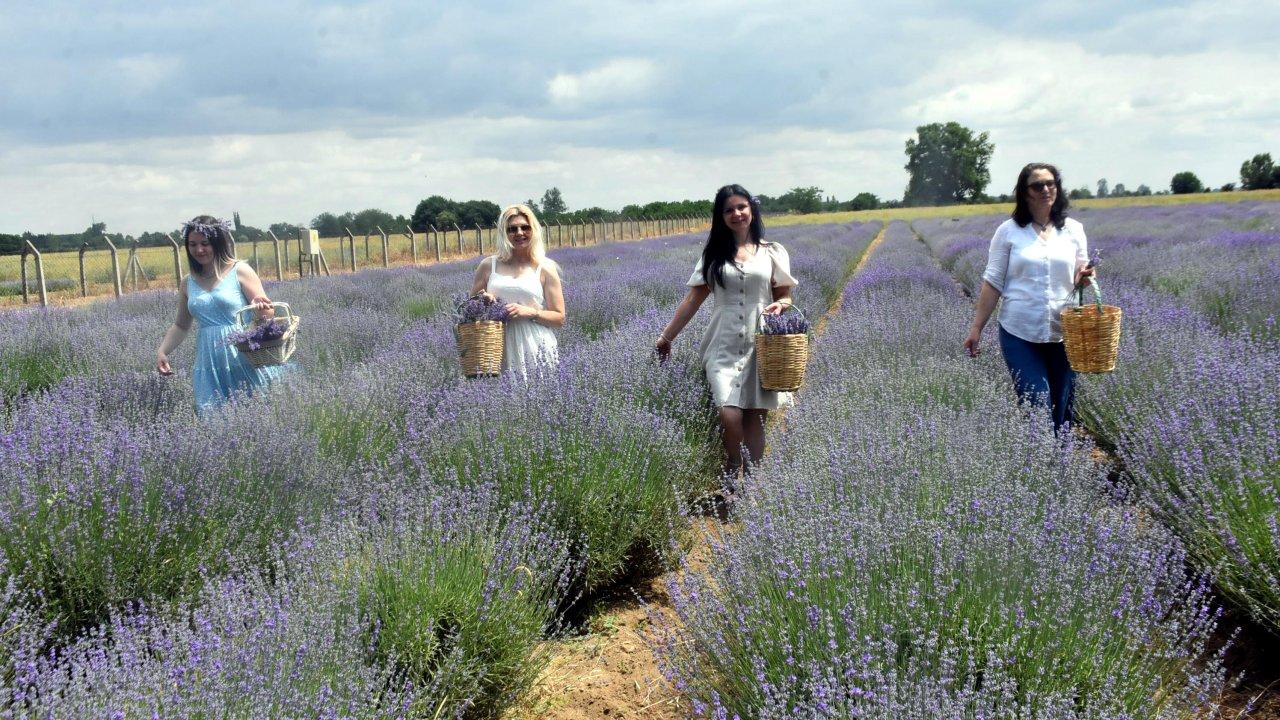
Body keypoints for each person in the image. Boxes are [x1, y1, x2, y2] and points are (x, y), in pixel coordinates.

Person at [656, 184, 796, 485]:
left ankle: (752, 485)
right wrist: (666, 337)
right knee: (729, 414)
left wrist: (780, 304)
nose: (737, 214)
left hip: (761, 344)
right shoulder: (714, 256)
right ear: (720, 217)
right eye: (729, 210)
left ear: (752, 210)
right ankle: (733, 466)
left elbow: (786, 296)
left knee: (756, 418)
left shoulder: (771, 252)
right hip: (723, 344)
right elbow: (692, 300)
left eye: (741, 207)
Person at [963, 163, 1094, 431]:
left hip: (1064, 332)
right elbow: (993, 282)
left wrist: (1085, 279)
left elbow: (1080, 278)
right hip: (1019, 331)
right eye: (1037, 185)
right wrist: (976, 327)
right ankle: (1038, 463)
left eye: (1051, 183)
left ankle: (1059, 465)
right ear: (1025, 193)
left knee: (1062, 405)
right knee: (1036, 401)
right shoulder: (1008, 231)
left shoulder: (1073, 230)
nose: (1046, 189)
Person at [155, 215, 290, 415]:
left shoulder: (240, 271)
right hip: (208, 361)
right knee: (213, 417)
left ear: (218, 243)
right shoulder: (187, 282)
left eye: (205, 243)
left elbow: (267, 311)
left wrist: (261, 307)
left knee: (257, 412)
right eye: (192, 244)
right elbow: (181, 325)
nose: (198, 250)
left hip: (242, 355)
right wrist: (162, 351)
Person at [470, 204, 565, 376]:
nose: (519, 233)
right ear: (504, 234)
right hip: (495, 345)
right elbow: (469, 312)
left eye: (525, 227)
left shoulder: (545, 267)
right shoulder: (487, 266)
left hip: (535, 344)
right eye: (512, 229)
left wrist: (531, 312)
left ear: (533, 230)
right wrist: (483, 301)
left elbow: (559, 318)